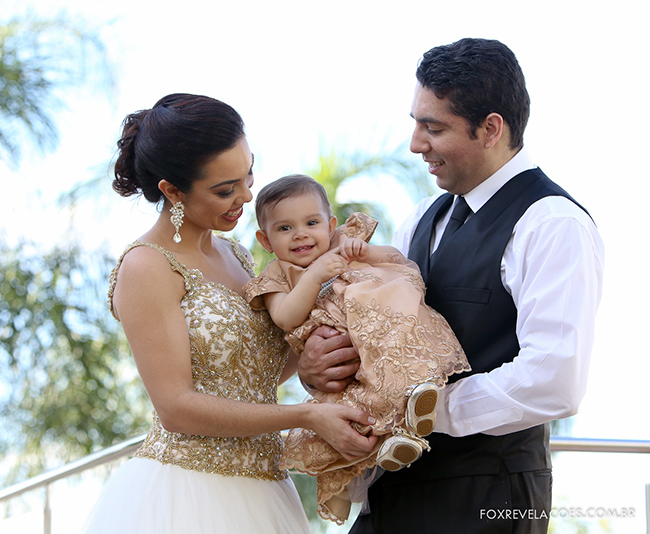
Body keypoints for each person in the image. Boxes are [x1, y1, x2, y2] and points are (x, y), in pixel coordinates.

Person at [298, 38, 605, 533]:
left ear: (491, 129)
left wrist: (422, 412)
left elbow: (553, 380)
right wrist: (318, 370)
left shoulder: (552, 223)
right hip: (389, 498)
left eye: (434, 128)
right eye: (416, 123)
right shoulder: (422, 218)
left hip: (489, 499)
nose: (416, 144)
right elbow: (372, 333)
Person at [79, 93, 378, 534]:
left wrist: (309, 363)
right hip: (188, 494)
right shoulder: (147, 266)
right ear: (172, 190)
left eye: (248, 173)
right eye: (225, 190)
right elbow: (176, 407)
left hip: (265, 490)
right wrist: (304, 415)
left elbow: (250, 371)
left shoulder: (237, 255)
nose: (247, 195)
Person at [242, 174, 470, 524]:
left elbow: (397, 260)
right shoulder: (275, 276)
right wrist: (314, 276)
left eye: (311, 223)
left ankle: (410, 411)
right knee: (345, 415)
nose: (300, 234)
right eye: (285, 228)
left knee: (390, 369)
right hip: (339, 353)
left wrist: (367, 252)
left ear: (330, 225)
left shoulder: (344, 242)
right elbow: (286, 317)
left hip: (374, 331)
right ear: (265, 239)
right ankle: (359, 469)